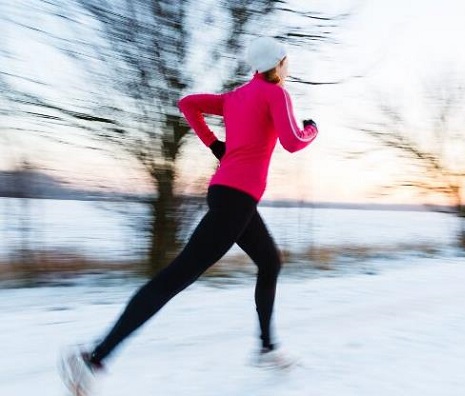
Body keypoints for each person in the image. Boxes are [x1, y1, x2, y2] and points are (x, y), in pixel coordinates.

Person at [59, 36, 318, 395]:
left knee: (270, 262)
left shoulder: (234, 98)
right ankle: (95, 357)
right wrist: (311, 129)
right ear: (279, 64)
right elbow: (292, 141)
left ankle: (266, 347)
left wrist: (215, 145)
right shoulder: (275, 94)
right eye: (286, 62)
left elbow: (188, 103)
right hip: (236, 201)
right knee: (175, 278)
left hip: (229, 195)